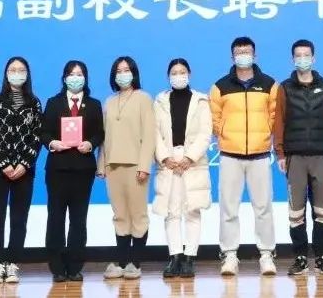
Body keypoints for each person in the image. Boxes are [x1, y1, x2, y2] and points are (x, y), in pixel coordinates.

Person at [210, 36, 279, 276]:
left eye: (247, 51)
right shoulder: (220, 87)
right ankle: (229, 255)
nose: (243, 56)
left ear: (254, 55)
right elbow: (214, 117)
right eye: (239, 52)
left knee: (263, 207)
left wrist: (266, 135)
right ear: (232, 57)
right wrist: (224, 134)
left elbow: (275, 115)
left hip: (260, 155)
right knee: (228, 208)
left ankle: (266, 255)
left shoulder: (269, 84)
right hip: (230, 155)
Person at [274, 40, 323, 276]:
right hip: (295, 157)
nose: (302, 58)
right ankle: (300, 258)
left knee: (321, 210)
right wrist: (280, 152)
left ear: (313, 58)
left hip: (320, 156)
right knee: (296, 212)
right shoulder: (284, 88)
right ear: (293, 59)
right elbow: (279, 121)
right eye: (298, 55)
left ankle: (321, 258)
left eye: (306, 55)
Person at [40, 60, 104, 282]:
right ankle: (57, 266)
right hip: (57, 168)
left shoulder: (94, 105)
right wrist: (52, 143)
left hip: (83, 169)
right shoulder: (53, 103)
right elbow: (43, 132)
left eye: (80, 74)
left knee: (79, 218)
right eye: (71, 74)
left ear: (85, 78)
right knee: (56, 217)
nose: (75, 78)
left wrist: (91, 143)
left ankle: (75, 266)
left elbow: (100, 133)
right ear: (64, 78)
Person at [0, 57, 43, 285]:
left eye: (21, 70)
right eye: (12, 69)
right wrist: (4, 163)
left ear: (27, 74)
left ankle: (13, 263)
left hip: (24, 171)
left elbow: (36, 136)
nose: (17, 73)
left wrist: (24, 164)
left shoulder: (34, 103)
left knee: (19, 218)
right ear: (6, 74)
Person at [152, 59, 212, 279]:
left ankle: (189, 258)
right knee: (171, 212)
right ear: (169, 76)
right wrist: (165, 157)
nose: (179, 76)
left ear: (189, 74)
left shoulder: (201, 100)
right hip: (168, 161)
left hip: (192, 162)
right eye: (174, 73)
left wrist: (190, 157)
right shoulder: (159, 101)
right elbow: (154, 133)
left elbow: (206, 133)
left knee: (192, 210)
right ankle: (175, 256)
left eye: (182, 72)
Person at [99, 56, 156, 279]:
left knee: (138, 214)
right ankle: (121, 263)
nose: (122, 74)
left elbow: (149, 135)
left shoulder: (144, 98)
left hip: (135, 166)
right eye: (118, 71)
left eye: (126, 70)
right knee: (120, 215)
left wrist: (144, 165)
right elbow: (104, 137)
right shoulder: (109, 102)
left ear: (134, 73)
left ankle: (135, 263)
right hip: (113, 165)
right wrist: (102, 163)